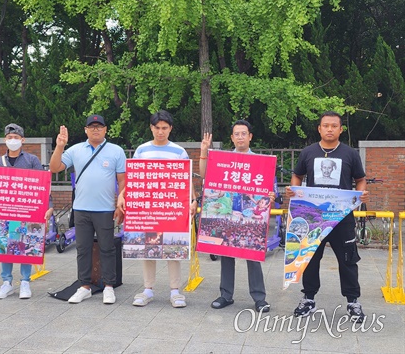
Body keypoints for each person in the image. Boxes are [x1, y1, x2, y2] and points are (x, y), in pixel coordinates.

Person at [285, 111, 369, 323]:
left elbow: (360, 179)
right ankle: (309, 298)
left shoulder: (350, 154)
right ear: (319, 129)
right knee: (310, 257)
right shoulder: (308, 152)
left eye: (334, 126)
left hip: (342, 217)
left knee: (348, 259)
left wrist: (360, 195)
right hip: (314, 216)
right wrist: (295, 193)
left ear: (341, 129)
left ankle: (353, 301)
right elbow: (297, 175)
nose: (329, 129)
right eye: (326, 126)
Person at [117, 110, 197, 308]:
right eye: (157, 128)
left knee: (173, 248)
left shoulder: (179, 151)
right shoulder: (142, 150)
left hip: (171, 207)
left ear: (170, 129)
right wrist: (122, 195)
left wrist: (194, 199)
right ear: (151, 128)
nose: (160, 132)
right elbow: (134, 177)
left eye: (164, 128)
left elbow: (187, 178)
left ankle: (175, 291)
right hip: (148, 208)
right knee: (147, 248)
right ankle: (148, 289)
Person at [49, 115, 125, 304]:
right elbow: (54, 167)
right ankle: (84, 286)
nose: (96, 130)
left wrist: (120, 205)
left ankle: (109, 286)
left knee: (107, 248)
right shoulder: (76, 150)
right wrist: (60, 146)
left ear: (106, 129)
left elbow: (122, 180)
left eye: (99, 126)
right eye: (92, 127)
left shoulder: (116, 151)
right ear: (86, 130)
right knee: (83, 249)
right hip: (81, 209)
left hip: (105, 209)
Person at [200, 120, 272, 312]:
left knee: (253, 256)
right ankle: (226, 295)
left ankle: (259, 298)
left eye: (244, 133)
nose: (240, 137)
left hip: (249, 213)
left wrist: (272, 195)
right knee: (226, 255)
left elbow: (270, 190)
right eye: (236, 134)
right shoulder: (222, 160)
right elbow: (204, 176)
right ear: (232, 138)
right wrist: (204, 152)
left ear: (250, 137)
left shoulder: (261, 162)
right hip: (229, 213)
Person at [0, 123, 54, 300]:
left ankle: (25, 282)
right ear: (5, 140)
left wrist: (49, 205)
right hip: (4, 211)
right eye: (10, 138)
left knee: (25, 243)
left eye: (16, 137)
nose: (13, 140)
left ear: (22, 140)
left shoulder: (31, 160)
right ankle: (7, 282)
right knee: (6, 244)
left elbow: (43, 185)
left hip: (27, 210)